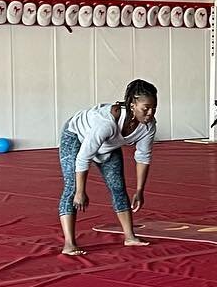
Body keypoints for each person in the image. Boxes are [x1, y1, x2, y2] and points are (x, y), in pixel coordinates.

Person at [57, 79, 158, 256]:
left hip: (108, 145)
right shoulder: (106, 122)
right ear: (133, 105)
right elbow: (83, 157)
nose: (150, 113)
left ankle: (130, 236)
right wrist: (81, 191)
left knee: (118, 187)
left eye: (154, 108)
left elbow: (143, 156)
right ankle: (69, 244)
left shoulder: (148, 126)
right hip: (76, 136)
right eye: (146, 108)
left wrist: (140, 190)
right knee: (72, 188)